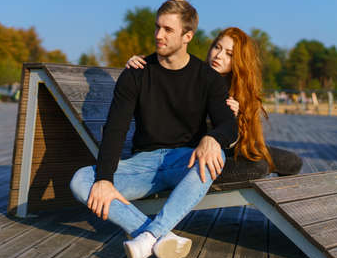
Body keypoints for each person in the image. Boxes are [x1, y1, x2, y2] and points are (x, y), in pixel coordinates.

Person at [70, 0, 238, 258]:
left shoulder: (207, 78)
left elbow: (228, 125)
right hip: (142, 165)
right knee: (81, 180)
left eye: (168, 30)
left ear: (187, 36)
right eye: (158, 27)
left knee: (213, 153)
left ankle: (146, 238)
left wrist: (211, 138)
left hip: (184, 162)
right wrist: (103, 178)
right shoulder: (136, 73)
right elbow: (115, 128)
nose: (159, 35)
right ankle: (157, 237)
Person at [126, 27, 302, 181]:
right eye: (217, 48)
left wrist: (234, 120)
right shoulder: (194, 75)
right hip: (190, 155)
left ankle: (291, 206)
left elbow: (238, 143)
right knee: (258, 166)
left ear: (239, 62)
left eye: (229, 54)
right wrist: (142, 63)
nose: (218, 56)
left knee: (292, 161)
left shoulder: (238, 90)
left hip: (225, 151)